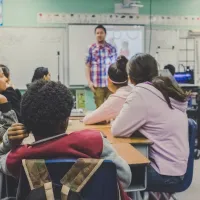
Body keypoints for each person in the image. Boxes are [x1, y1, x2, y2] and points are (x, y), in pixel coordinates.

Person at [0, 80, 131, 199]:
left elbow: (1, 160)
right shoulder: (94, 142)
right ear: (66, 120)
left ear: (27, 124)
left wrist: (9, 141)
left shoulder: (18, 157)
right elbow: (125, 178)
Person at [111, 53, 189, 191]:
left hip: (165, 174)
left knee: (108, 174)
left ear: (130, 77)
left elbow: (117, 130)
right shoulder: (164, 88)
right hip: (178, 169)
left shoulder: (141, 93)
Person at [83, 56, 132, 125]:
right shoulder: (134, 91)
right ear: (128, 78)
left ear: (109, 80)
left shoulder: (115, 99)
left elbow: (87, 120)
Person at [85, 25, 117, 108]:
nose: (99, 35)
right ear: (95, 35)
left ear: (105, 34)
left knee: (112, 108)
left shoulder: (111, 48)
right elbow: (87, 66)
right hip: (97, 85)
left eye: (101, 33)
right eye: (97, 33)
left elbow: (115, 67)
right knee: (99, 110)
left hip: (110, 84)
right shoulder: (91, 48)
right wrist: (89, 82)